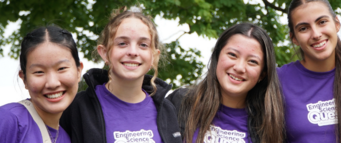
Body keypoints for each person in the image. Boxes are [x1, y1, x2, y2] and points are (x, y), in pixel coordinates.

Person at [60, 7, 182, 143]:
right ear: (104, 52)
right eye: (122, 43)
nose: (133, 52)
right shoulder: (77, 107)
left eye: (143, 45)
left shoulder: (167, 110)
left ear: (153, 56)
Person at [168, 23, 285, 143]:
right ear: (217, 56)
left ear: (262, 73)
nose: (239, 67)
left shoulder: (273, 124)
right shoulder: (180, 102)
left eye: (252, 61)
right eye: (232, 55)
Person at [277, 0, 341, 142]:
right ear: (294, 38)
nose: (315, 34)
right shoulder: (278, 80)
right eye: (303, 28)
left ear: (336, 24)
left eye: (322, 22)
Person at [0, 26, 83, 143]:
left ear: (79, 71)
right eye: (39, 72)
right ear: (24, 79)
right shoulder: (8, 120)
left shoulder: (68, 137)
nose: (52, 83)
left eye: (62, 68)